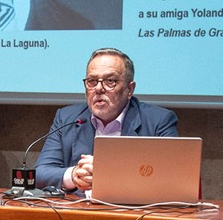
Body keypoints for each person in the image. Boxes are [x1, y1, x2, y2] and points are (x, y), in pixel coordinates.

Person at [33, 47, 180, 192]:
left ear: (130, 89)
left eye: (110, 81)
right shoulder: (67, 118)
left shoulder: (159, 121)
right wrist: (74, 175)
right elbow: (40, 173)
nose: (98, 89)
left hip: (132, 212)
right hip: (78, 211)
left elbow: (173, 178)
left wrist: (107, 172)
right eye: (92, 81)